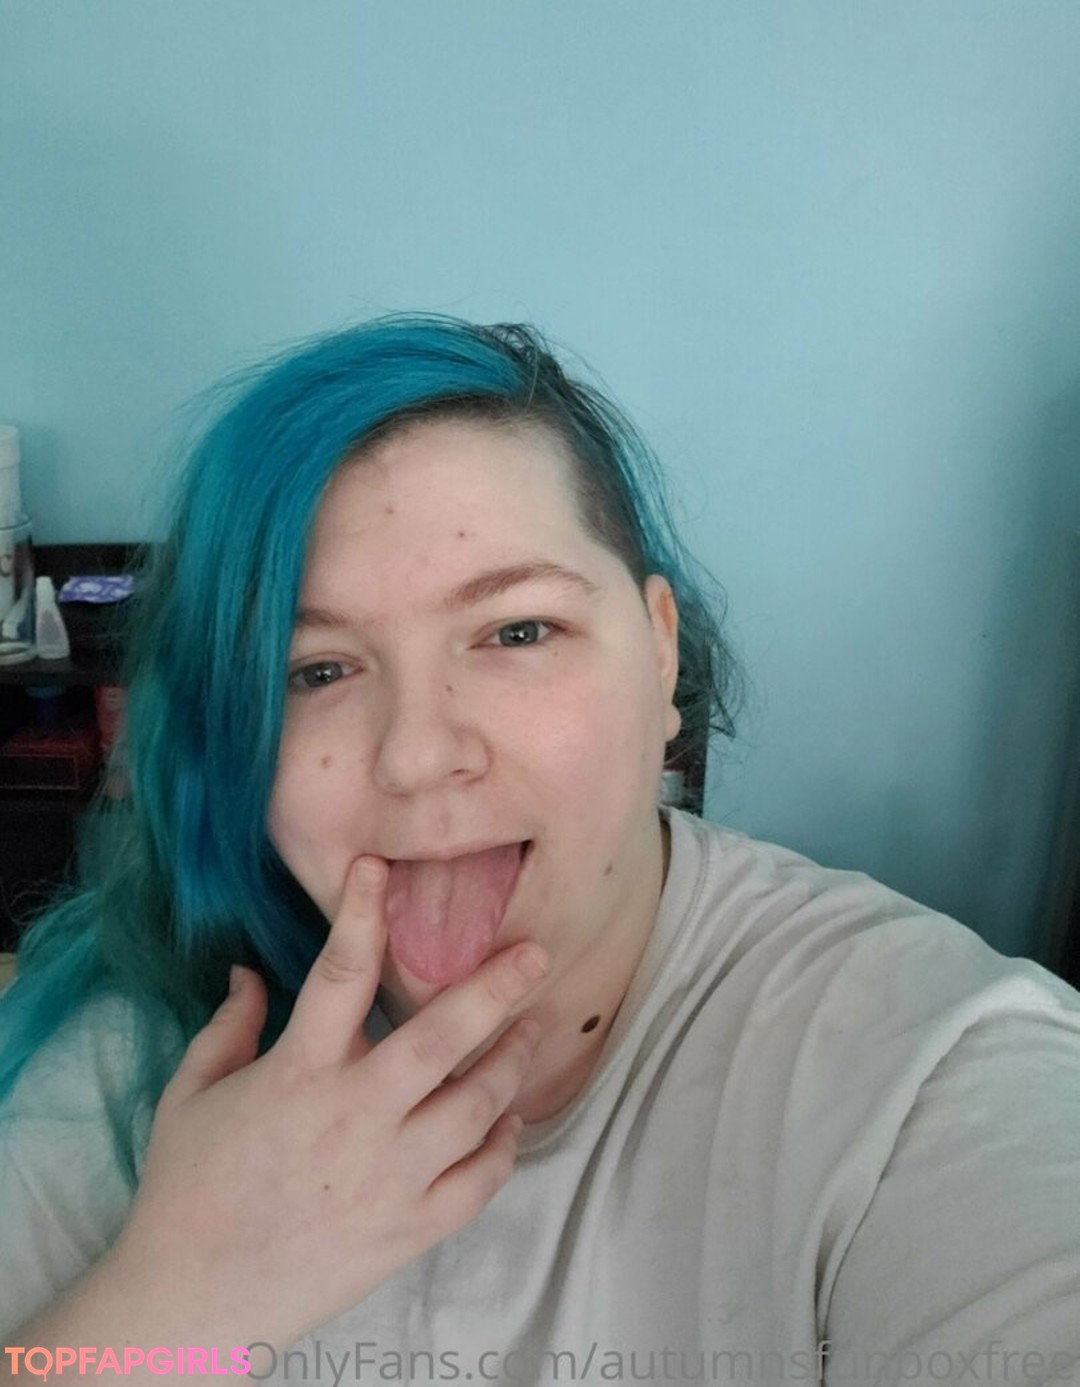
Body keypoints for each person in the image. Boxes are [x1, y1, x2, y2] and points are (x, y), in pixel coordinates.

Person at [1, 315, 1079, 1387]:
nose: (418, 754)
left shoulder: (925, 1072)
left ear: (660, 654)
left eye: (518, 631)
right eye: (315, 671)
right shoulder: (141, 1052)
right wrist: (189, 1293)